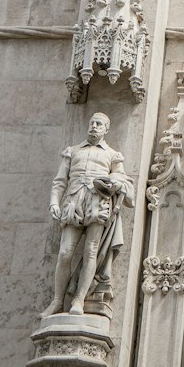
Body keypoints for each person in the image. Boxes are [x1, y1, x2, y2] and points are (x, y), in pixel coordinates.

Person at [42, 113, 134, 318]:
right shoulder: (73, 151)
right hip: (73, 201)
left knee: (91, 252)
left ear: (106, 129)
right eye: (92, 123)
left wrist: (114, 183)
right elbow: (59, 182)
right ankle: (57, 300)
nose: (94, 126)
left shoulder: (112, 154)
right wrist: (54, 203)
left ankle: (79, 299)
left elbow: (123, 180)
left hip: (97, 202)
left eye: (99, 124)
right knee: (65, 252)